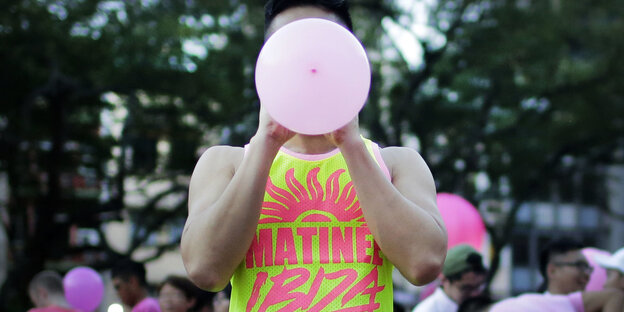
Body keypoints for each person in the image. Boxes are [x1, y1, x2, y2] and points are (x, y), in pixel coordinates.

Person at [180, 0, 448, 310]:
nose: (307, 57)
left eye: (322, 41)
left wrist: (350, 143)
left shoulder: (396, 163)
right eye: (291, 43)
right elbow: (205, 270)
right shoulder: (225, 164)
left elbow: (423, 264)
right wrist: (267, 140)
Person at [412, 244, 487, 312]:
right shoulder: (427, 310)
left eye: (478, 287)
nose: (475, 294)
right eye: (466, 289)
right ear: (445, 280)